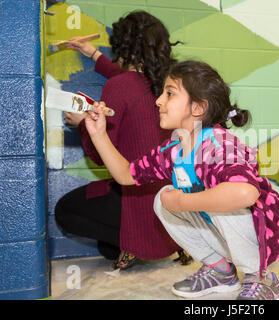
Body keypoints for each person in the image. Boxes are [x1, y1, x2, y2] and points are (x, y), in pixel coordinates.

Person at [82, 60, 279, 300]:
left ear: (197, 108)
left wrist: (182, 203)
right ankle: (221, 271)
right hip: (226, 233)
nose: (158, 101)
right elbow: (126, 174)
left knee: (219, 203)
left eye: (170, 94)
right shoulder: (174, 148)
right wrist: (99, 135)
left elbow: (244, 193)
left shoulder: (219, 144)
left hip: (263, 235)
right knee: (162, 198)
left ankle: (261, 277)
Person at [55, 11, 192, 270]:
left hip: (137, 197)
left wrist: (84, 124)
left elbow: (98, 156)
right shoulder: (171, 86)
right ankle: (165, 239)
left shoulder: (119, 86)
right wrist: (94, 55)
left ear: (122, 46)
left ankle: (139, 241)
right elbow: (132, 80)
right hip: (174, 199)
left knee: (65, 211)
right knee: (106, 248)